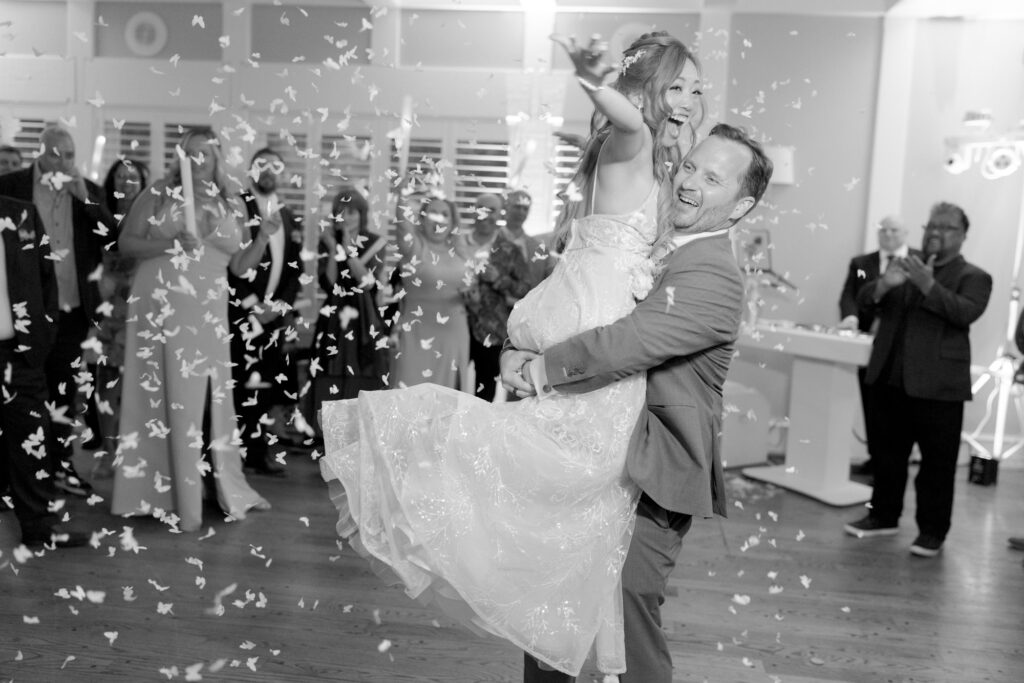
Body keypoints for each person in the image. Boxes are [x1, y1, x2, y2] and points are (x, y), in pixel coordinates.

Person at [320, 31, 712, 678]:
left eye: (697, 87)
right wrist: (591, 76)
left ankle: (559, 640)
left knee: (579, 513)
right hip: (594, 337)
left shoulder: (665, 168)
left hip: (604, 345)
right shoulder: (633, 141)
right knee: (568, 500)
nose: (692, 99)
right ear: (645, 91)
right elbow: (623, 117)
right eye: (678, 85)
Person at [111, 127, 270, 533]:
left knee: (212, 399)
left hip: (209, 308)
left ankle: (214, 485)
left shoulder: (232, 202)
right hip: (161, 304)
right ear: (181, 158)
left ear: (219, 160)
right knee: (166, 394)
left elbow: (240, 267)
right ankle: (162, 493)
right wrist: (170, 246)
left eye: (207, 155)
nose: (200, 162)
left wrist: (264, 239)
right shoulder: (159, 194)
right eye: (192, 154)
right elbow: (127, 244)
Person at [844, 202, 992, 557]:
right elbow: (863, 302)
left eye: (946, 228)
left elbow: (964, 312)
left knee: (936, 466)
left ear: (962, 236)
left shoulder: (974, 276)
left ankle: (932, 531)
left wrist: (928, 285)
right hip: (887, 378)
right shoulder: (905, 265)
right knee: (886, 456)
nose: (936, 233)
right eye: (931, 226)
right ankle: (883, 516)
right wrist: (883, 285)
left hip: (938, 387)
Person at [0, 125, 117, 497]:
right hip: (23, 311)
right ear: (41, 152)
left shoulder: (90, 191)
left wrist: (86, 200)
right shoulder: (11, 185)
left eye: (70, 155)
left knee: (64, 393)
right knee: (19, 396)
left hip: (71, 310)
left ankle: (58, 469)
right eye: (57, 154)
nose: (64, 162)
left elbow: (112, 240)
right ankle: (11, 478)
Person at [0, 195, 90, 547]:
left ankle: (39, 527)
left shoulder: (20, 212)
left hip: (18, 352)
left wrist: (44, 332)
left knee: (31, 440)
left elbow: (45, 274)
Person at [228, 148, 306, 476]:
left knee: (265, 387)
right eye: (262, 165)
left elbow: (295, 268)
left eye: (276, 166)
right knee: (238, 385)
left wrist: (277, 308)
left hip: (273, 318)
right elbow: (228, 262)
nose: (269, 171)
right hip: (241, 314)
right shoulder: (235, 206)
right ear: (251, 169)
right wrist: (252, 306)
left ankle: (258, 454)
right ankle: (232, 457)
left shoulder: (290, 215)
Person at [81, 158, 149, 466]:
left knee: (140, 385)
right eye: (120, 176)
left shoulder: (152, 217)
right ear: (112, 180)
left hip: (143, 309)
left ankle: (135, 452)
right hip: (107, 310)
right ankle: (108, 452)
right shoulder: (100, 214)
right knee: (105, 380)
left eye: (132, 176)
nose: (126, 181)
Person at [837, 215, 914, 475]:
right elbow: (849, 296)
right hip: (868, 345)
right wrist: (850, 317)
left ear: (905, 232)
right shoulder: (862, 264)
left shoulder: (920, 262)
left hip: (904, 350)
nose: (889, 234)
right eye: (884, 230)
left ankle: (891, 463)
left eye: (895, 230)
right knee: (871, 403)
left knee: (899, 411)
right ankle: (875, 457)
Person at [389, 170, 473, 390]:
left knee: (446, 398)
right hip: (417, 331)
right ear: (422, 218)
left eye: (444, 214)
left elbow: (472, 286)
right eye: (432, 213)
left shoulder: (461, 252)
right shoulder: (414, 248)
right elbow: (402, 224)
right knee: (409, 393)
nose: (438, 219)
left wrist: (472, 293)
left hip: (454, 332)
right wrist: (403, 195)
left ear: (453, 220)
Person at [311, 186, 389, 421]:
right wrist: (336, 247)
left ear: (362, 214)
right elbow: (330, 282)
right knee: (331, 366)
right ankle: (328, 428)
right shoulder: (327, 241)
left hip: (365, 316)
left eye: (353, 212)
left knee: (364, 368)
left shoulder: (376, 242)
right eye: (342, 212)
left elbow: (366, 282)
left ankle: (361, 426)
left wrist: (348, 249)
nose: (347, 217)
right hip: (334, 315)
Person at [462, 192, 533, 400]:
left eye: (492, 210)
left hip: (492, 333)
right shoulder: (457, 244)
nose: (486, 214)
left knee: (483, 393)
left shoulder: (509, 249)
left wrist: (498, 279)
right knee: (450, 387)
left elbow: (526, 288)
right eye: (482, 208)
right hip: (454, 327)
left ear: (500, 214)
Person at [503, 188, 557, 289]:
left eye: (525, 208)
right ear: (507, 207)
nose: (521, 212)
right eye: (517, 206)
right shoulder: (490, 241)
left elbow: (552, 281)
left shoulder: (539, 248)